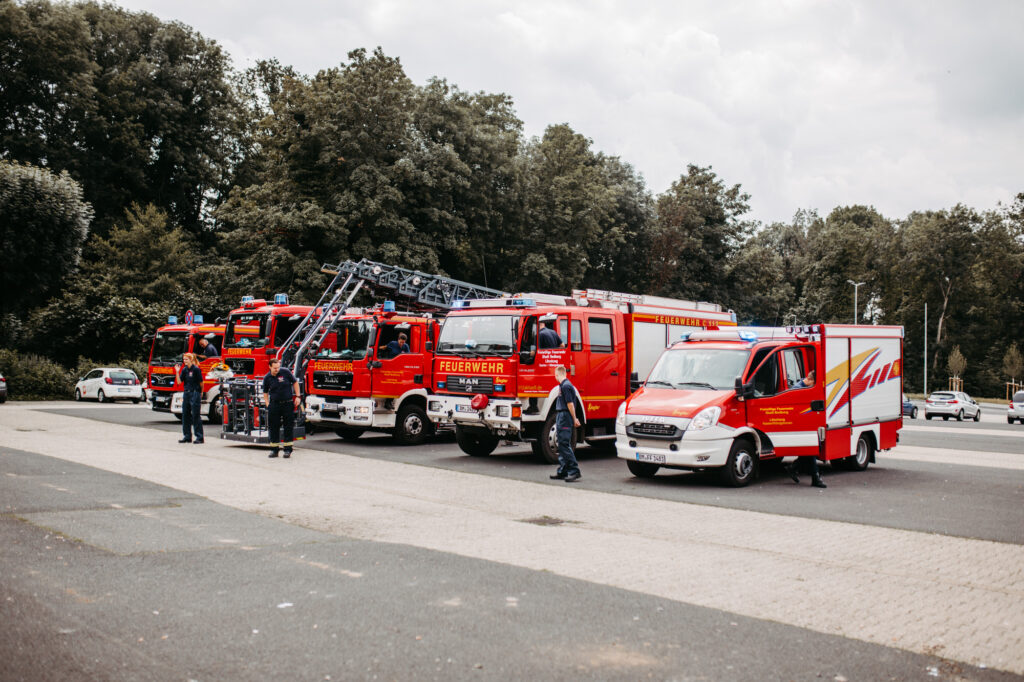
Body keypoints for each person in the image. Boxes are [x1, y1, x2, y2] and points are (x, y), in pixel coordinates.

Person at [549, 365, 583, 483]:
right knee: (561, 443)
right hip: (561, 415)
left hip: (565, 415)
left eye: (555, 374)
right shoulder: (563, 386)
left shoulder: (566, 386)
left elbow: (570, 404)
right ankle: (563, 470)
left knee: (564, 443)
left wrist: (574, 419)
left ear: (558, 374)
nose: (555, 376)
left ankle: (574, 470)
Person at [263, 358, 300, 458]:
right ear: (269, 367)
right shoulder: (267, 378)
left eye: (278, 367)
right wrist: (267, 403)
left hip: (287, 404)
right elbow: (265, 392)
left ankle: (287, 450)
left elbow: (295, 382)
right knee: (273, 427)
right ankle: (274, 450)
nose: (277, 370)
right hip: (274, 405)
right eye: (275, 368)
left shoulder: (286, 372)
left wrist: (298, 396)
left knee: (288, 426)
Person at [178, 353, 204, 444]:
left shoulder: (196, 369)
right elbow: (179, 382)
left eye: (186, 359)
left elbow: (201, 382)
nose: (185, 361)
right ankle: (187, 436)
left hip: (194, 393)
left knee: (196, 415)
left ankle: (199, 437)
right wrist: (177, 372)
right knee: (185, 415)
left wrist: (201, 392)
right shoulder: (184, 370)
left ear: (191, 360)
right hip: (186, 393)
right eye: (184, 359)